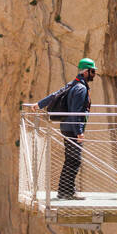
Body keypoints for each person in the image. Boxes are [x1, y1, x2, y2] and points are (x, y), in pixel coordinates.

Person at [34, 57, 96, 199]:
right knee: (75, 160)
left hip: (67, 127)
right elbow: (76, 112)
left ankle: (64, 191)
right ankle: (68, 192)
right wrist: (79, 132)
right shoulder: (81, 88)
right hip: (73, 129)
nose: (94, 74)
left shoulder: (73, 84)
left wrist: (39, 104)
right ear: (86, 72)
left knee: (70, 159)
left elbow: (55, 94)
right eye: (92, 71)